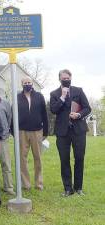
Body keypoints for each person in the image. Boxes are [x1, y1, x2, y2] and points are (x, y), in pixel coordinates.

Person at [50, 69, 91, 197]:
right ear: (59, 79)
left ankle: (78, 188)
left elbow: (87, 108)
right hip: (62, 132)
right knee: (64, 160)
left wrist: (78, 114)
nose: (66, 80)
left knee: (79, 158)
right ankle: (68, 188)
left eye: (68, 78)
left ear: (71, 78)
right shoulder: (54, 93)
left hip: (78, 130)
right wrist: (62, 97)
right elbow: (53, 110)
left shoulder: (78, 90)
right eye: (63, 78)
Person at [17, 76, 48, 191]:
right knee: (22, 158)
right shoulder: (17, 97)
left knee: (38, 157)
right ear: (22, 84)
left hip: (37, 131)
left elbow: (44, 114)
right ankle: (26, 184)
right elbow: (13, 114)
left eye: (29, 82)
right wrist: (13, 130)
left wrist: (46, 131)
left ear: (32, 84)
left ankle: (39, 183)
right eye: (25, 82)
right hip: (22, 131)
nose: (27, 84)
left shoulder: (39, 96)